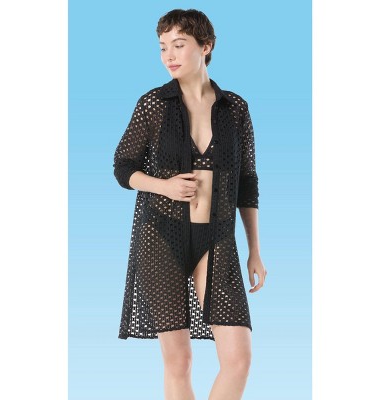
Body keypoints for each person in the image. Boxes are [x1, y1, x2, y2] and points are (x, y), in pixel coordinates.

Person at [113, 8, 267, 400]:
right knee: (178, 361)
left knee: (238, 359)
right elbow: (123, 167)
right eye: (163, 47)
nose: (169, 55)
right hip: (160, 236)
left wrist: (255, 250)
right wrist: (163, 186)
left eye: (179, 45)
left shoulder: (235, 108)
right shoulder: (153, 104)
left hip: (217, 238)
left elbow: (247, 183)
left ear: (206, 46)